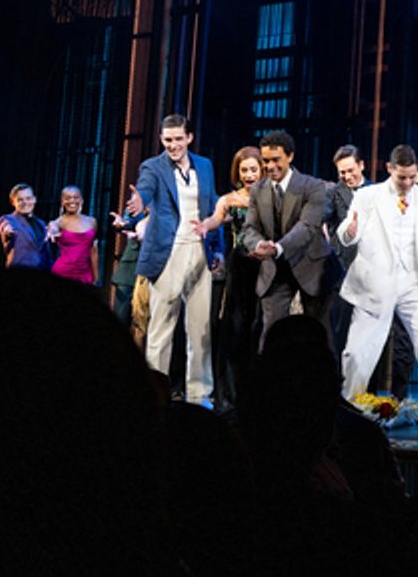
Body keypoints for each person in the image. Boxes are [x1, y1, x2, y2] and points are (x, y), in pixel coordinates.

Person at [337, 144, 418, 423]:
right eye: (401, 177)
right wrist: (349, 232)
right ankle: (349, 410)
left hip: (414, 283)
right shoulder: (368, 196)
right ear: (390, 169)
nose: (407, 183)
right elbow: (348, 232)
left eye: (411, 177)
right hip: (374, 283)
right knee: (357, 351)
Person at [123, 113, 224, 405]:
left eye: (179, 139)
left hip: (199, 251)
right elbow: (145, 187)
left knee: (200, 328)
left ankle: (199, 395)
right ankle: (156, 395)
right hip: (168, 252)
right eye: (168, 140)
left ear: (189, 138)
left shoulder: (204, 166)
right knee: (161, 328)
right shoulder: (152, 167)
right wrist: (140, 202)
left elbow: (211, 206)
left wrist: (216, 249)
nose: (173, 145)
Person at [242, 129, 339, 344]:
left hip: (313, 268)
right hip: (275, 271)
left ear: (290, 156)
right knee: (271, 335)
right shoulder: (259, 190)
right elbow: (249, 228)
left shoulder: (312, 186)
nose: (269, 166)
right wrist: (259, 244)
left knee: (321, 337)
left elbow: (307, 226)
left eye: (276, 160)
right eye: (265, 161)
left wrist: (277, 248)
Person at [192, 146, 263, 410]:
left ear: (262, 169)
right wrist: (204, 226)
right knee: (235, 330)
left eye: (253, 169)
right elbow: (215, 218)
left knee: (259, 329)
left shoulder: (272, 196)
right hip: (240, 268)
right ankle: (230, 397)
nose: (249, 174)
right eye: (244, 170)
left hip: (266, 270)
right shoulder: (228, 199)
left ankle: (257, 396)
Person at [326, 144, 367, 355]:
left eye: (351, 170)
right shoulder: (333, 193)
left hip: (371, 274)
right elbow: (322, 216)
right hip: (342, 272)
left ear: (361, 165)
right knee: (340, 330)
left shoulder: (375, 192)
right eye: (342, 172)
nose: (347, 176)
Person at [46, 185, 98, 284]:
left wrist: (96, 277)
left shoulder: (92, 221)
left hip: (85, 275)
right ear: (62, 201)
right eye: (67, 198)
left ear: (81, 200)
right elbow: (53, 227)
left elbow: (94, 251)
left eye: (76, 197)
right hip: (63, 274)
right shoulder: (59, 222)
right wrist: (52, 230)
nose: (72, 201)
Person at [0, 183, 53, 270]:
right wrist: (7, 230)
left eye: (28, 198)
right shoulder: (8, 219)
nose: (25, 202)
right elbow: (4, 226)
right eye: (20, 200)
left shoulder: (41, 223)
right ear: (12, 202)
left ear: (34, 199)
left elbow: (46, 252)